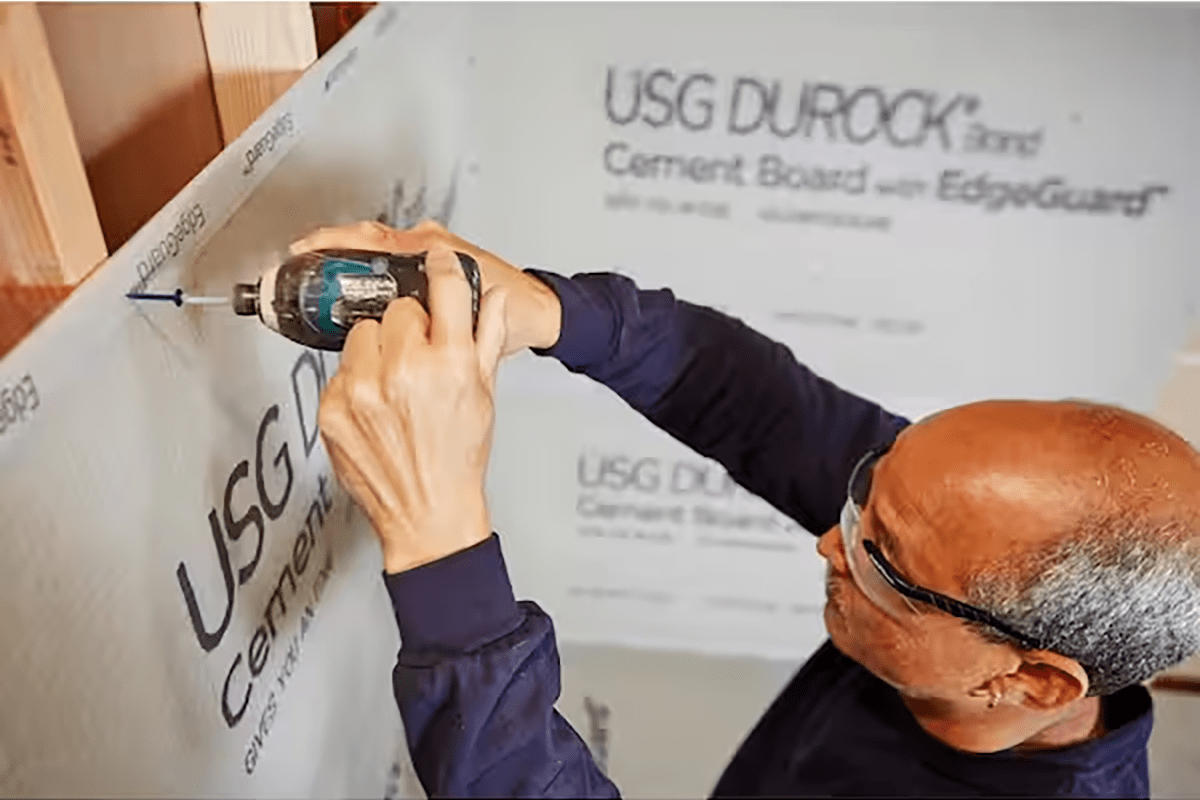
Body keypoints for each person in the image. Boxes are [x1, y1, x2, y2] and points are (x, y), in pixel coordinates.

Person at [293, 220, 1200, 798]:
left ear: (1030, 682)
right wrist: (543, 310)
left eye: (879, 559)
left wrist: (441, 541)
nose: (829, 544)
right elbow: (757, 403)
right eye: (866, 487)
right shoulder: (964, 540)